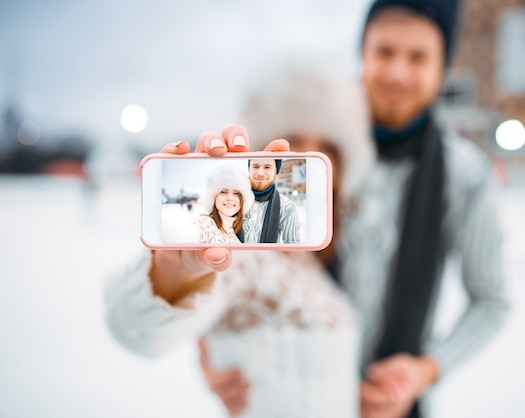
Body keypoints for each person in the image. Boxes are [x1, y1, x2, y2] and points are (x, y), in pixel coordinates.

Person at [105, 59, 375, 418]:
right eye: (293, 137)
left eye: (326, 144)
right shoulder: (244, 256)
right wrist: (174, 275)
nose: (307, 152)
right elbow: (138, 332)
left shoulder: (310, 257)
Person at [336, 1, 509, 417]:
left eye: (418, 57)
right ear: (362, 54)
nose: (397, 72)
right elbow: (248, 274)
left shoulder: (465, 175)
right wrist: (215, 356)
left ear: (443, 67)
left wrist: (424, 370)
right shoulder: (313, 151)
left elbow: (491, 300)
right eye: (384, 52)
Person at [236, 157, 300, 244]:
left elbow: (293, 247)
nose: (260, 173)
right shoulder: (233, 200)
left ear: (275, 171)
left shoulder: (286, 206)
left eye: (267, 167)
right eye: (255, 166)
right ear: (249, 169)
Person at [191, 165, 254, 244]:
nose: (230, 198)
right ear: (213, 197)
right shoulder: (204, 224)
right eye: (223, 192)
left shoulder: (235, 234)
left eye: (236, 193)